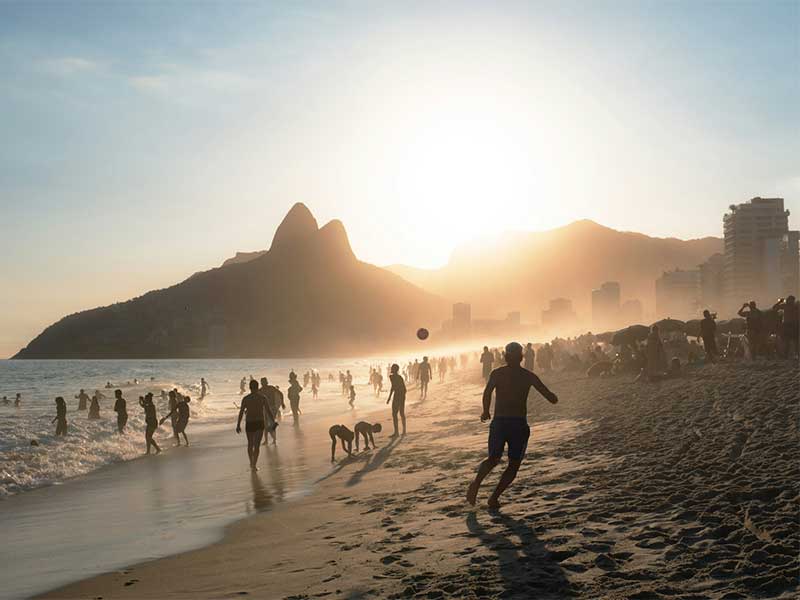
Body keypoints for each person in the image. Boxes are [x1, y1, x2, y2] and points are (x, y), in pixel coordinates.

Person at [467, 342, 558, 511]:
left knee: (493, 459)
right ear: (522, 356)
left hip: (499, 422)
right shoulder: (528, 376)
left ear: (505, 356)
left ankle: (476, 483)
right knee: (514, 464)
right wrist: (553, 397)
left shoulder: (497, 373)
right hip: (518, 424)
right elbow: (550, 396)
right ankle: (493, 498)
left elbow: (487, 392)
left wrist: (485, 411)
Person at [236, 379, 276, 470]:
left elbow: (241, 412)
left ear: (250, 388)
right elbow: (268, 411)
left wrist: (238, 425)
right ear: (258, 387)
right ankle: (254, 465)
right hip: (259, 422)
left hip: (249, 423)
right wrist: (273, 422)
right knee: (257, 445)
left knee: (250, 444)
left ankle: (251, 462)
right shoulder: (262, 398)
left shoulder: (246, 398)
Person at [386, 363, 407, 437]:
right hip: (400, 395)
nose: (391, 369)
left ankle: (398, 432)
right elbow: (394, 387)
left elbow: (394, 387)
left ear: (395, 369)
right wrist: (389, 398)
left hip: (398, 395)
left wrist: (390, 397)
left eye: (392, 368)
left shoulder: (393, 377)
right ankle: (401, 432)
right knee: (400, 413)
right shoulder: (396, 377)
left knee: (396, 414)